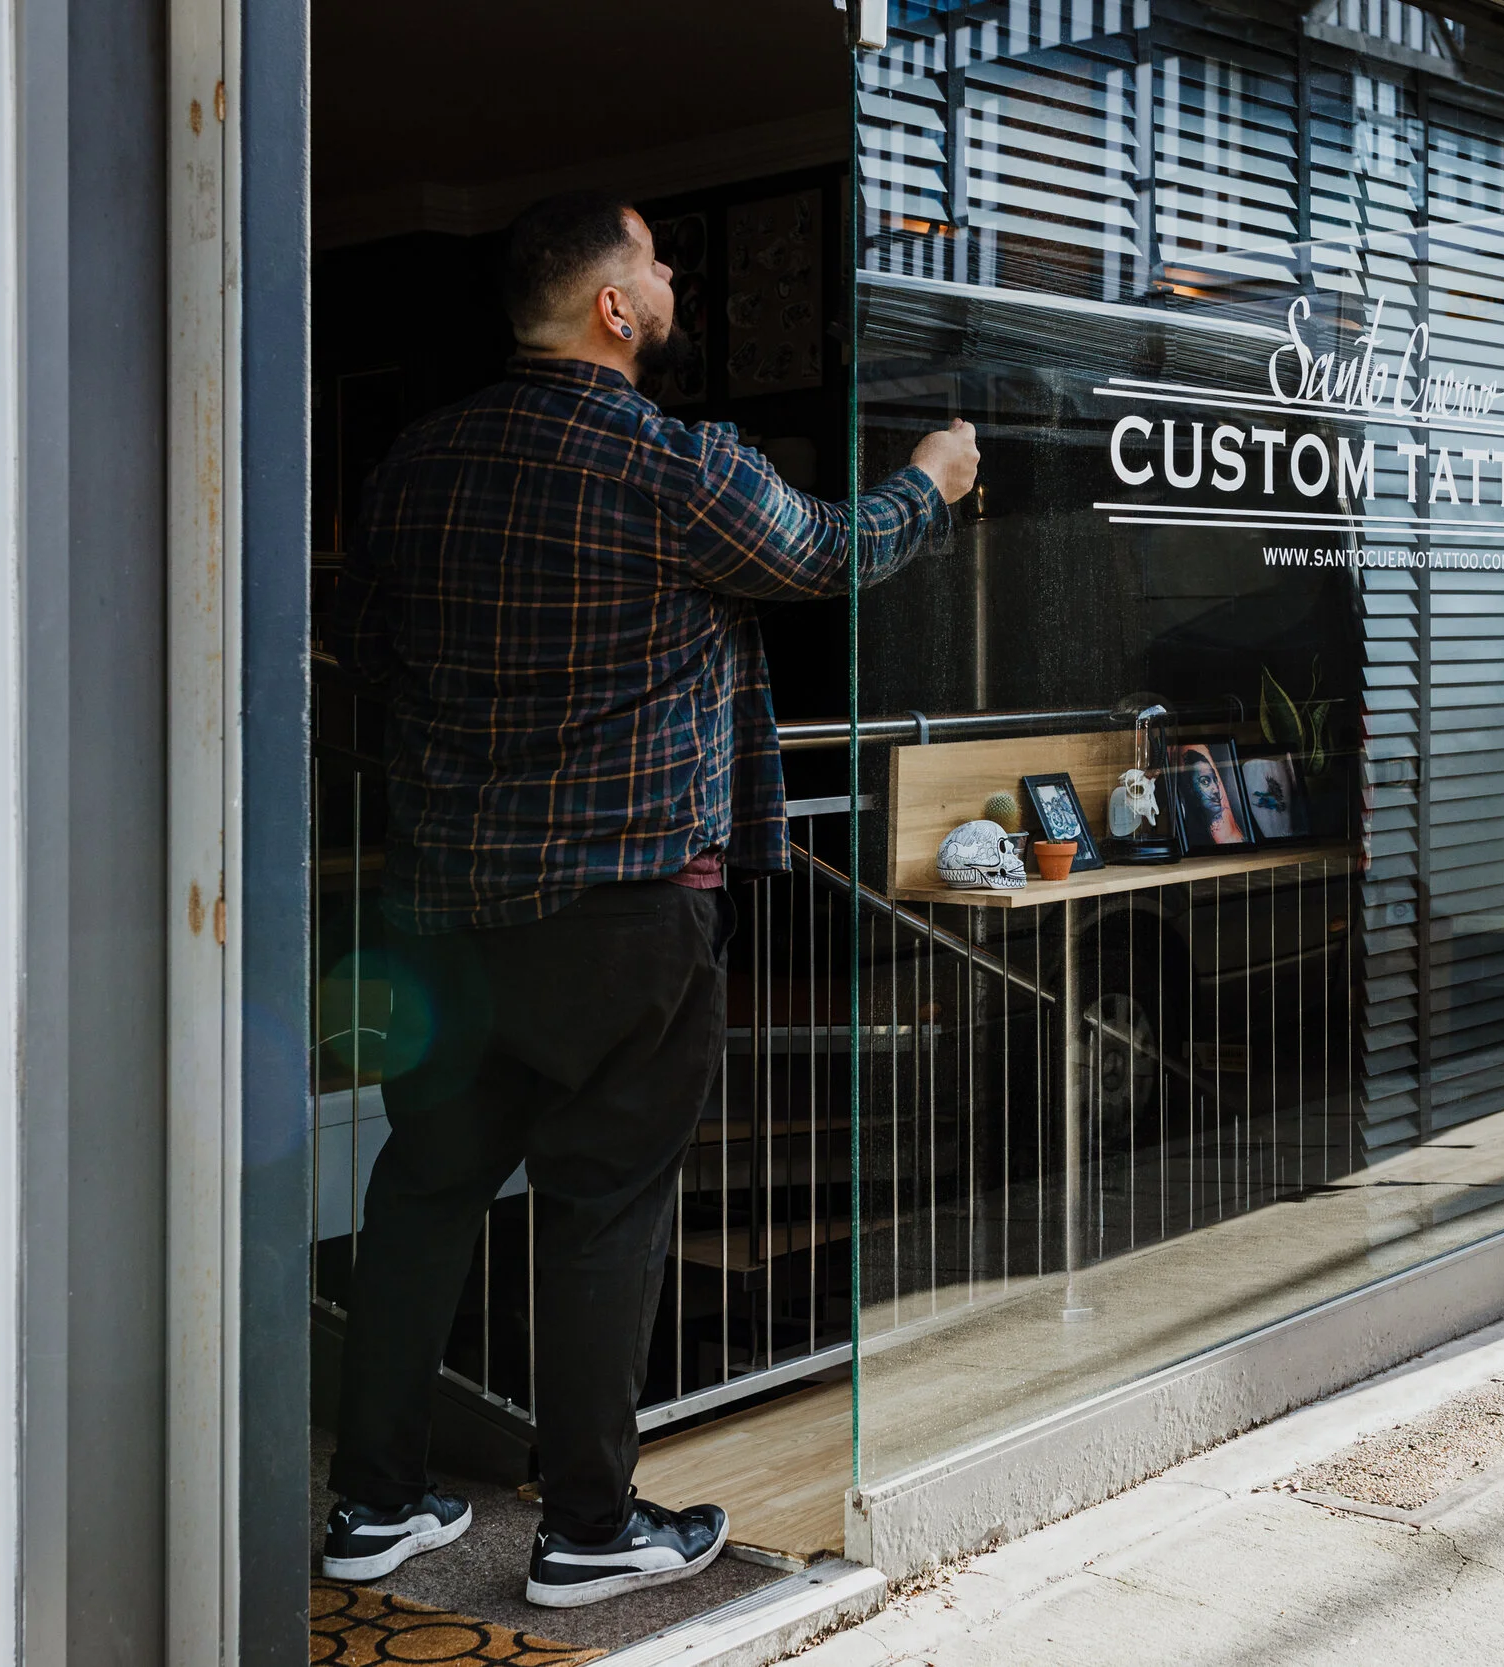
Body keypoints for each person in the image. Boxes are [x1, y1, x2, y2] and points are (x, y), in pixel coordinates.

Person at [317, 188, 978, 1608]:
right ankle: (588, 1527)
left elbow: (363, 654)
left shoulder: (416, 465)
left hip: (445, 901)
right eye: (659, 261)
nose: (676, 274)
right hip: (625, 907)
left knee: (424, 1189)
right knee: (607, 1204)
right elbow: (832, 552)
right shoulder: (676, 465)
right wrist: (933, 476)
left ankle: (373, 1504)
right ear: (614, 307)